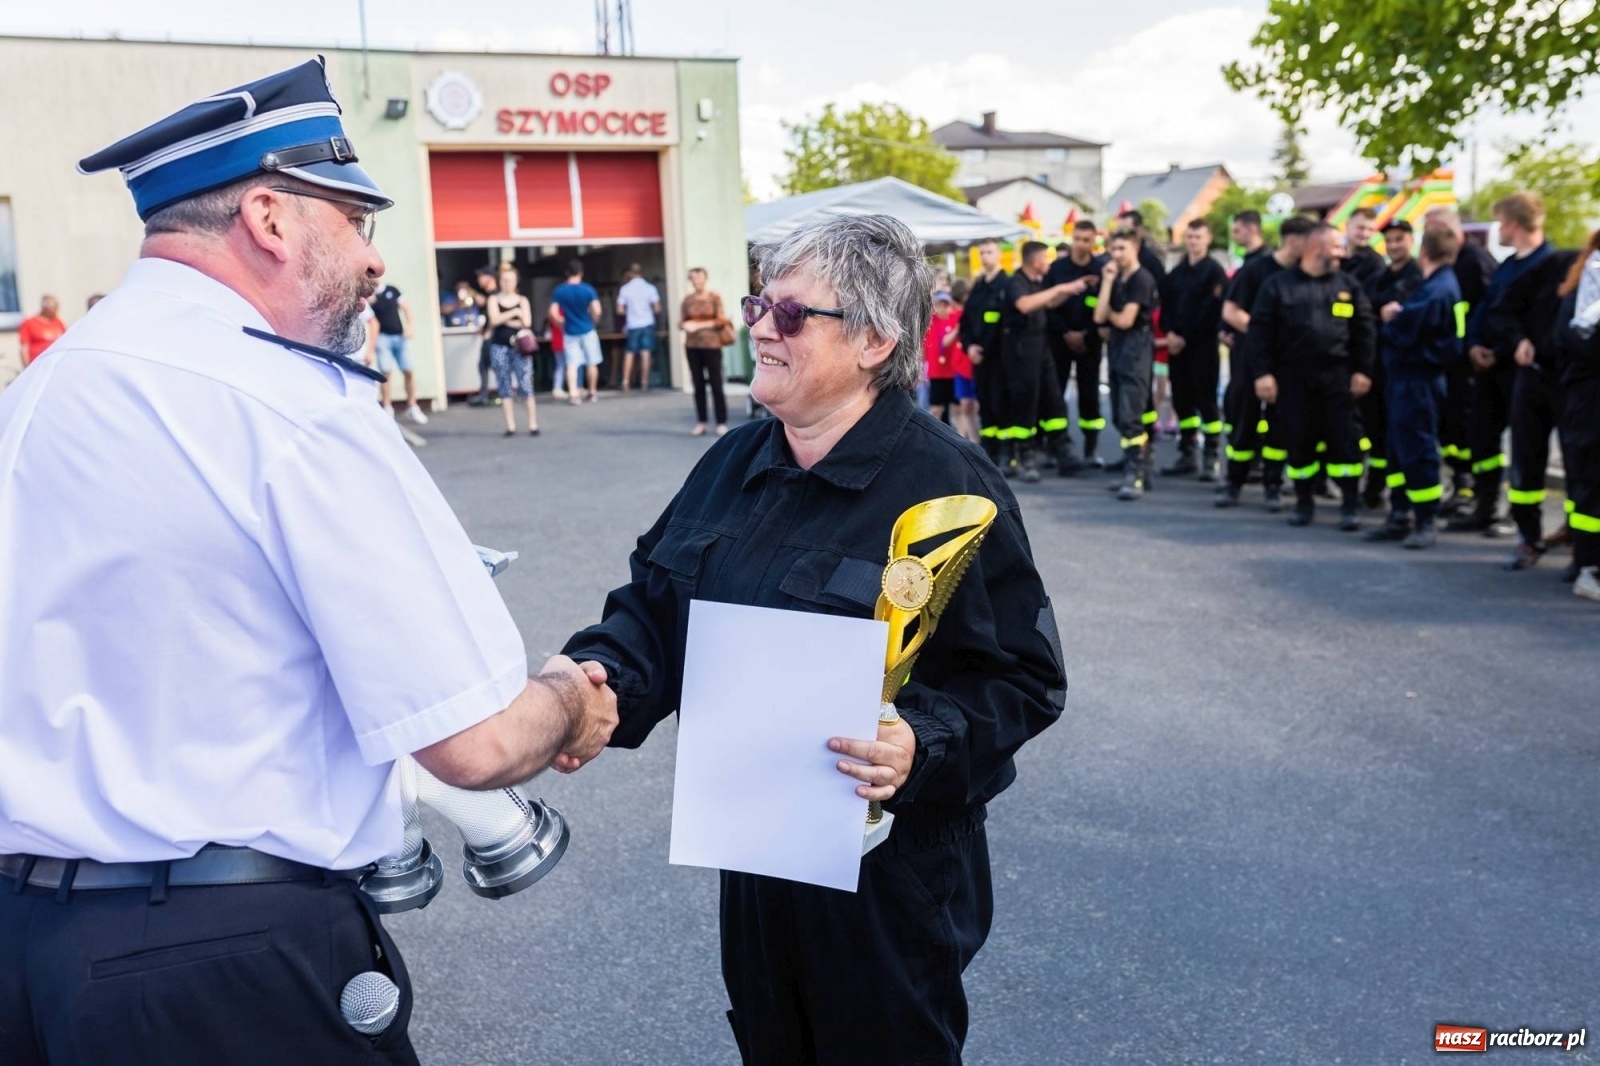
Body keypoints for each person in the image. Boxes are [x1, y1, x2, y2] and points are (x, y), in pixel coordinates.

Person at [0, 58, 617, 1066]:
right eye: (356, 220)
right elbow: (470, 741)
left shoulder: (34, 400)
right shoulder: (286, 402)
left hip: (28, 951)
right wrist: (567, 699)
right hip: (221, 970)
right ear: (271, 217)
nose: (374, 260)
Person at [561, 213, 1065, 1066]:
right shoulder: (735, 462)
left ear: (873, 339)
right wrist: (592, 681)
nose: (758, 324)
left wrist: (922, 744)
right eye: (761, 301)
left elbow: (1021, 677)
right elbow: (654, 609)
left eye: (791, 313)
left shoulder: (949, 487)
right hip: (756, 855)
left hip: (890, 877)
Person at [1247, 223, 1376, 530]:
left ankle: (1349, 505)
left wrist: (1363, 370)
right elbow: (1259, 332)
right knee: (1299, 440)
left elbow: (1365, 330)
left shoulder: (1347, 286)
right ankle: (1304, 504)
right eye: (1336, 247)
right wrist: (1263, 374)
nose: (1341, 253)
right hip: (1293, 377)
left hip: (1338, 377)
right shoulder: (1279, 285)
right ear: (1316, 248)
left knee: (1345, 441)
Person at [1454, 192, 1553, 535]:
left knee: (1527, 446)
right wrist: (1475, 345)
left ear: (1512, 223)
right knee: (1483, 437)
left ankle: (1519, 517)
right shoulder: (1507, 266)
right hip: (1490, 368)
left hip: (1524, 372)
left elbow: (1542, 322)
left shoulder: (1550, 264)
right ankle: (1485, 507)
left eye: (1499, 222)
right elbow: (1487, 310)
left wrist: (1509, 346)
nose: (1498, 229)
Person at [1364, 223, 1463, 549]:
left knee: (1418, 450)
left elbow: (1405, 332)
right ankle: (1400, 514)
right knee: (1398, 449)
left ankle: (1424, 519)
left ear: (1424, 250)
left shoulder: (1435, 289)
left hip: (1417, 379)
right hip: (1406, 379)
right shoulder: (1437, 284)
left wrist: (1392, 318)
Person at [1216, 216, 1315, 511]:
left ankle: (1273, 485)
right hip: (1252, 358)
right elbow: (1232, 311)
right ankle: (1233, 483)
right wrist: (1263, 331)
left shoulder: (1303, 274)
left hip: (1288, 363)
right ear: (1293, 239)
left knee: (1279, 426)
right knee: (1245, 421)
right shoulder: (1256, 271)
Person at [1001, 241, 1095, 482]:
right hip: (1022, 351)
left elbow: (1048, 302)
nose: (1049, 262)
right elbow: (1025, 305)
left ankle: (1061, 449)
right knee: (1026, 402)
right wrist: (1061, 287)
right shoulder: (1017, 282)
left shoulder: (1037, 283)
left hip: (1041, 347)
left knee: (1054, 400)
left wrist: (1070, 290)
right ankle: (1025, 456)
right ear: (1034, 260)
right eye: (1046, 257)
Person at [1427, 207, 1497, 513]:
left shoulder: (1474, 261)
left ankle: (1473, 491)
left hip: (1471, 364)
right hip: (1451, 361)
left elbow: (1486, 310)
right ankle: (1461, 484)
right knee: (1452, 428)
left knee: (1469, 426)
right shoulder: (1450, 262)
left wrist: (1476, 344)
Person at [1358, 220, 1424, 511]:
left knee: (1400, 430)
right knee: (1375, 426)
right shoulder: (1380, 277)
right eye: (1390, 240)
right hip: (1377, 363)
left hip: (1405, 365)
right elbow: (1365, 306)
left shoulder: (1419, 275)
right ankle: (1376, 484)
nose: (1394, 245)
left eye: (1399, 239)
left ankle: (1402, 498)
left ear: (1411, 240)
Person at [1551, 229, 1600, 600]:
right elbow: (1574, 341)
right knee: (1590, 486)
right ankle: (1588, 566)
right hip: (1588, 401)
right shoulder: (1586, 288)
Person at [1094, 229, 1161, 500]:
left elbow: (1124, 321)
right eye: (1113, 249)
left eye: (1122, 249)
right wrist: (1107, 282)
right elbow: (1100, 316)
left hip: (1136, 348)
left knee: (1131, 415)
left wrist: (1111, 314)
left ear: (1135, 247)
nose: (1116, 255)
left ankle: (1135, 474)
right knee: (1119, 415)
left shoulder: (1141, 280)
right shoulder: (1117, 278)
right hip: (1118, 348)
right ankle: (1135, 466)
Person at [1159, 218, 1228, 480]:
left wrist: (1185, 336)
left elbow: (1211, 311)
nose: (1193, 241)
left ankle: (1211, 456)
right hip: (1177, 349)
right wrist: (1170, 333)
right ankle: (1187, 453)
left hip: (1203, 347)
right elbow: (1164, 307)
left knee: (1206, 402)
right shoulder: (1176, 274)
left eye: (1198, 237)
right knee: (1182, 401)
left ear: (1208, 239)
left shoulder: (1214, 272)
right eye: (1189, 237)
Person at [1044, 220, 1109, 474]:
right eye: (1078, 238)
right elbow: (1048, 305)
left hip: (1090, 342)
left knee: (1089, 393)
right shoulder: (1057, 269)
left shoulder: (1101, 270)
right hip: (1059, 340)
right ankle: (1054, 447)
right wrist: (1066, 332)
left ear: (1094, 241)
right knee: (1054, 393)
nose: (1081, 244)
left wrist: (1086, 334)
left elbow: (1105, 305)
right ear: (1072, 239)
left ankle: (1091, 449)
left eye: (1087, 239)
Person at [958, 238, 1011, 466]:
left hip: (1000, 357)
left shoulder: (1006, 285)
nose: (985, 256)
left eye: (989, 252)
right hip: (979, 358)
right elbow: (966, 321)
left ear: (999, 254)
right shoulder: (978, 287)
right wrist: (969, 346)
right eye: (982, 253)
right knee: (986, 405)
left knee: (1002, 404)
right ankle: (990, 452)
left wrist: (985, 349)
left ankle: (1008, 453)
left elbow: (1003, 323)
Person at [486, 264, 539, 436]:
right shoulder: (493, 299)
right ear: (500, 282)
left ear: (516, 281)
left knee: (525, 384)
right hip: (499, 346)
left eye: (511, 280)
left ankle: (533, 424)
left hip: (520, 347)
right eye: (504, 280)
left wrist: (505, 319)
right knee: (504, 385)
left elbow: (527, 322)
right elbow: (493, 320)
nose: (508, 283)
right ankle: (511, 426)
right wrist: (514, 313)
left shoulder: (523, 300)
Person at [680, 266, 730, 436]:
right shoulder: (687, 300)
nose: (697, 281)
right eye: (693, 278)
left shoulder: (714, 297)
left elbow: (721, 320)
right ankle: (701, 421)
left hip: (712, 344)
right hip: (692, 346)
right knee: (698, 383)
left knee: (716, 383)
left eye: (699, 278)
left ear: (705, 279)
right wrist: (685, 325)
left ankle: (721, 422)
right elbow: (681, 321)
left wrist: (699, 325)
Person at [369, 282, 424, 424]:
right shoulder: (370, 293)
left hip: (400, 337)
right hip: (382, 338)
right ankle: (387, 407)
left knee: (408, 370)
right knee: (386, 372)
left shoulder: (392, 290)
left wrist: (410, 326)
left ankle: (412, 406)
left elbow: (406, 307)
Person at [550, 258, 603, 404]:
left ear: (567, 273)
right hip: (587, 329)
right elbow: (597, 310)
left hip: (570, 331)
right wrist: (593, 322)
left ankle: (573, 394)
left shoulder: (560, 291)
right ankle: (592, 392)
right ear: (581, 272)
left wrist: (561, 324)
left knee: (572, 364)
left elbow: (553, 312)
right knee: (592, 362)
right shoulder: (588, 289)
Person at [616, 263, 662, 394]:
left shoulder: (625, 289)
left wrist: (631, 312)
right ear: (642, 272)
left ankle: (625, 382)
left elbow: (619, 310)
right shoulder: (650, 288)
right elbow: (657, 308)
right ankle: (644, 382)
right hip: (647, 323)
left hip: (632, 324)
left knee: (629, 353)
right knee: (645, 353)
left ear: (630, 273)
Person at [947, 279, 980, 443]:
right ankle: (973, 441)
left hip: (974, 366)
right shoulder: (954, 317)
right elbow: (945, 342)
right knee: (965, 405)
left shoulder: (974, 314)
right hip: (960, 368)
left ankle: (979, 440)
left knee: (976, 405)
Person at [467, 267, 500, 406]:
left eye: (480, 277)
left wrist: (489, 331)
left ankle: (491, 394)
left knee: (490, 365)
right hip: (491, 335)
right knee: (486, 365)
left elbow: (495, 317)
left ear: (489, 278)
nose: (478, 280)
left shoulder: (494, 295)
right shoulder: (492, 295)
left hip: (493, 337)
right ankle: (488, 394)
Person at [1116, 207, 1168, 285]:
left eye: (1127, 232)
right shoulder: (1114, 259)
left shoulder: (1150, 261)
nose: (1123, 237)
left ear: (1140, 230)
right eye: (1120, 232)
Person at [1341, 207, 1386, 288]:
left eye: (1370, 230)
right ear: (1347, 225)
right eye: (1360, 228)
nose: (1365, 234)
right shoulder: (1331, 255)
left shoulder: (1375, 262)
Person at [18, 295, 67, 368]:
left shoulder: (58, 321)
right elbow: (24, 348)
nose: (56, 312)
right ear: (45, 309)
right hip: (38, 364)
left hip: (57, 363)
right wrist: (27, 367)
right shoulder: (29, 323)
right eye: (53, 310)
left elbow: (66, 340)